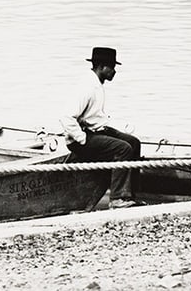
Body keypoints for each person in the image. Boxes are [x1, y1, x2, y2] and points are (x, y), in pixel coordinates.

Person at [58, 46, 142, 208]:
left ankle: (130, 194)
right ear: (102, 67)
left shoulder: (97, 84)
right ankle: (117, 198)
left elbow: (95, 118)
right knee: (122, 148)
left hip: (96, 131)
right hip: (82, 138)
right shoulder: (87, 87)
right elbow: (66, 117)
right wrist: (81, 139)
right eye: (112, 67)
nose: (114, 72)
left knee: (133, 142)